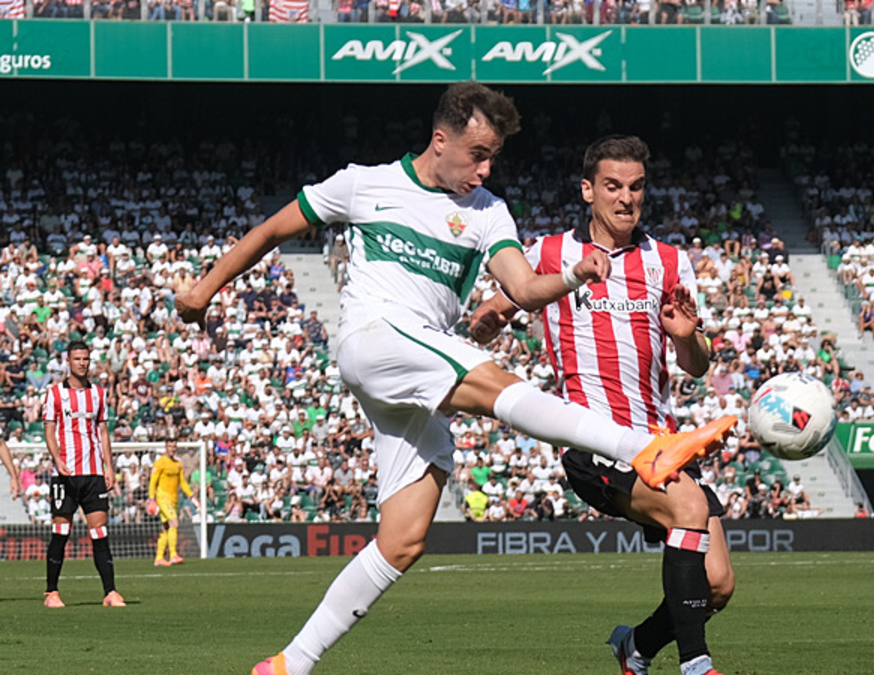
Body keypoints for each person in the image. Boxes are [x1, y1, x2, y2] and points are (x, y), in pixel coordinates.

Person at [173, 83, 733, 675]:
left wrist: (572, 277)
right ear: (440, 140)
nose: (485, 169)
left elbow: (521, 289)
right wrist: (204, 290)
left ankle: (291, 661)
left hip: (414, 379)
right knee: (493, 383)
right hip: (377, 338)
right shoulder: (364, 183)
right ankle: (644, 448)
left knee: (404, 538)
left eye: (493, 157)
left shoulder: (488, 211)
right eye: (478, 154)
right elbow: (271, 231)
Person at [471, 135, 732, 675]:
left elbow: (698, 362)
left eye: (636, 187)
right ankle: (697, 666)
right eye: (613, 186)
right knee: (689, 511)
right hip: (595, 441)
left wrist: (685, 335)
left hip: (664, 443)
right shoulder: (549, 254)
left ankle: (634, 647)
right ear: (588, 189)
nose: (626, 198)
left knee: (718, 584)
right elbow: (503, 303)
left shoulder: (667, 260)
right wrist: (492, 314)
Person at [42, 341, 125, 608]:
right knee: (61, 530)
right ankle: (52, 592)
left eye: (86, 359)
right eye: (77, 359)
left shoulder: (98, 394)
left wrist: (109, 467)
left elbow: (102, 432)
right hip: (65, 473)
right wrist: (57, 460)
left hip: (93, 474)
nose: (82, 363)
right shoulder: (55, 394)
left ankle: (110, 592)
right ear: (68, 361)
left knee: (99, 532)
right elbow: (49, 430)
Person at [148, 438, 200, 566]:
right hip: (163, 498)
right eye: (170, 446)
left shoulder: (178, 463)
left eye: (174, 446)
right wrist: (151, 499)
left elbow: (182, 482)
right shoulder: (160, 463)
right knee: (174, 523)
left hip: (174, 499)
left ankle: (159, 558)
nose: (173, 449)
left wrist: (191, 496)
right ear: (166, 447)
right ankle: (173, 554)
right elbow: (153, 482)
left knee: (166, 528)